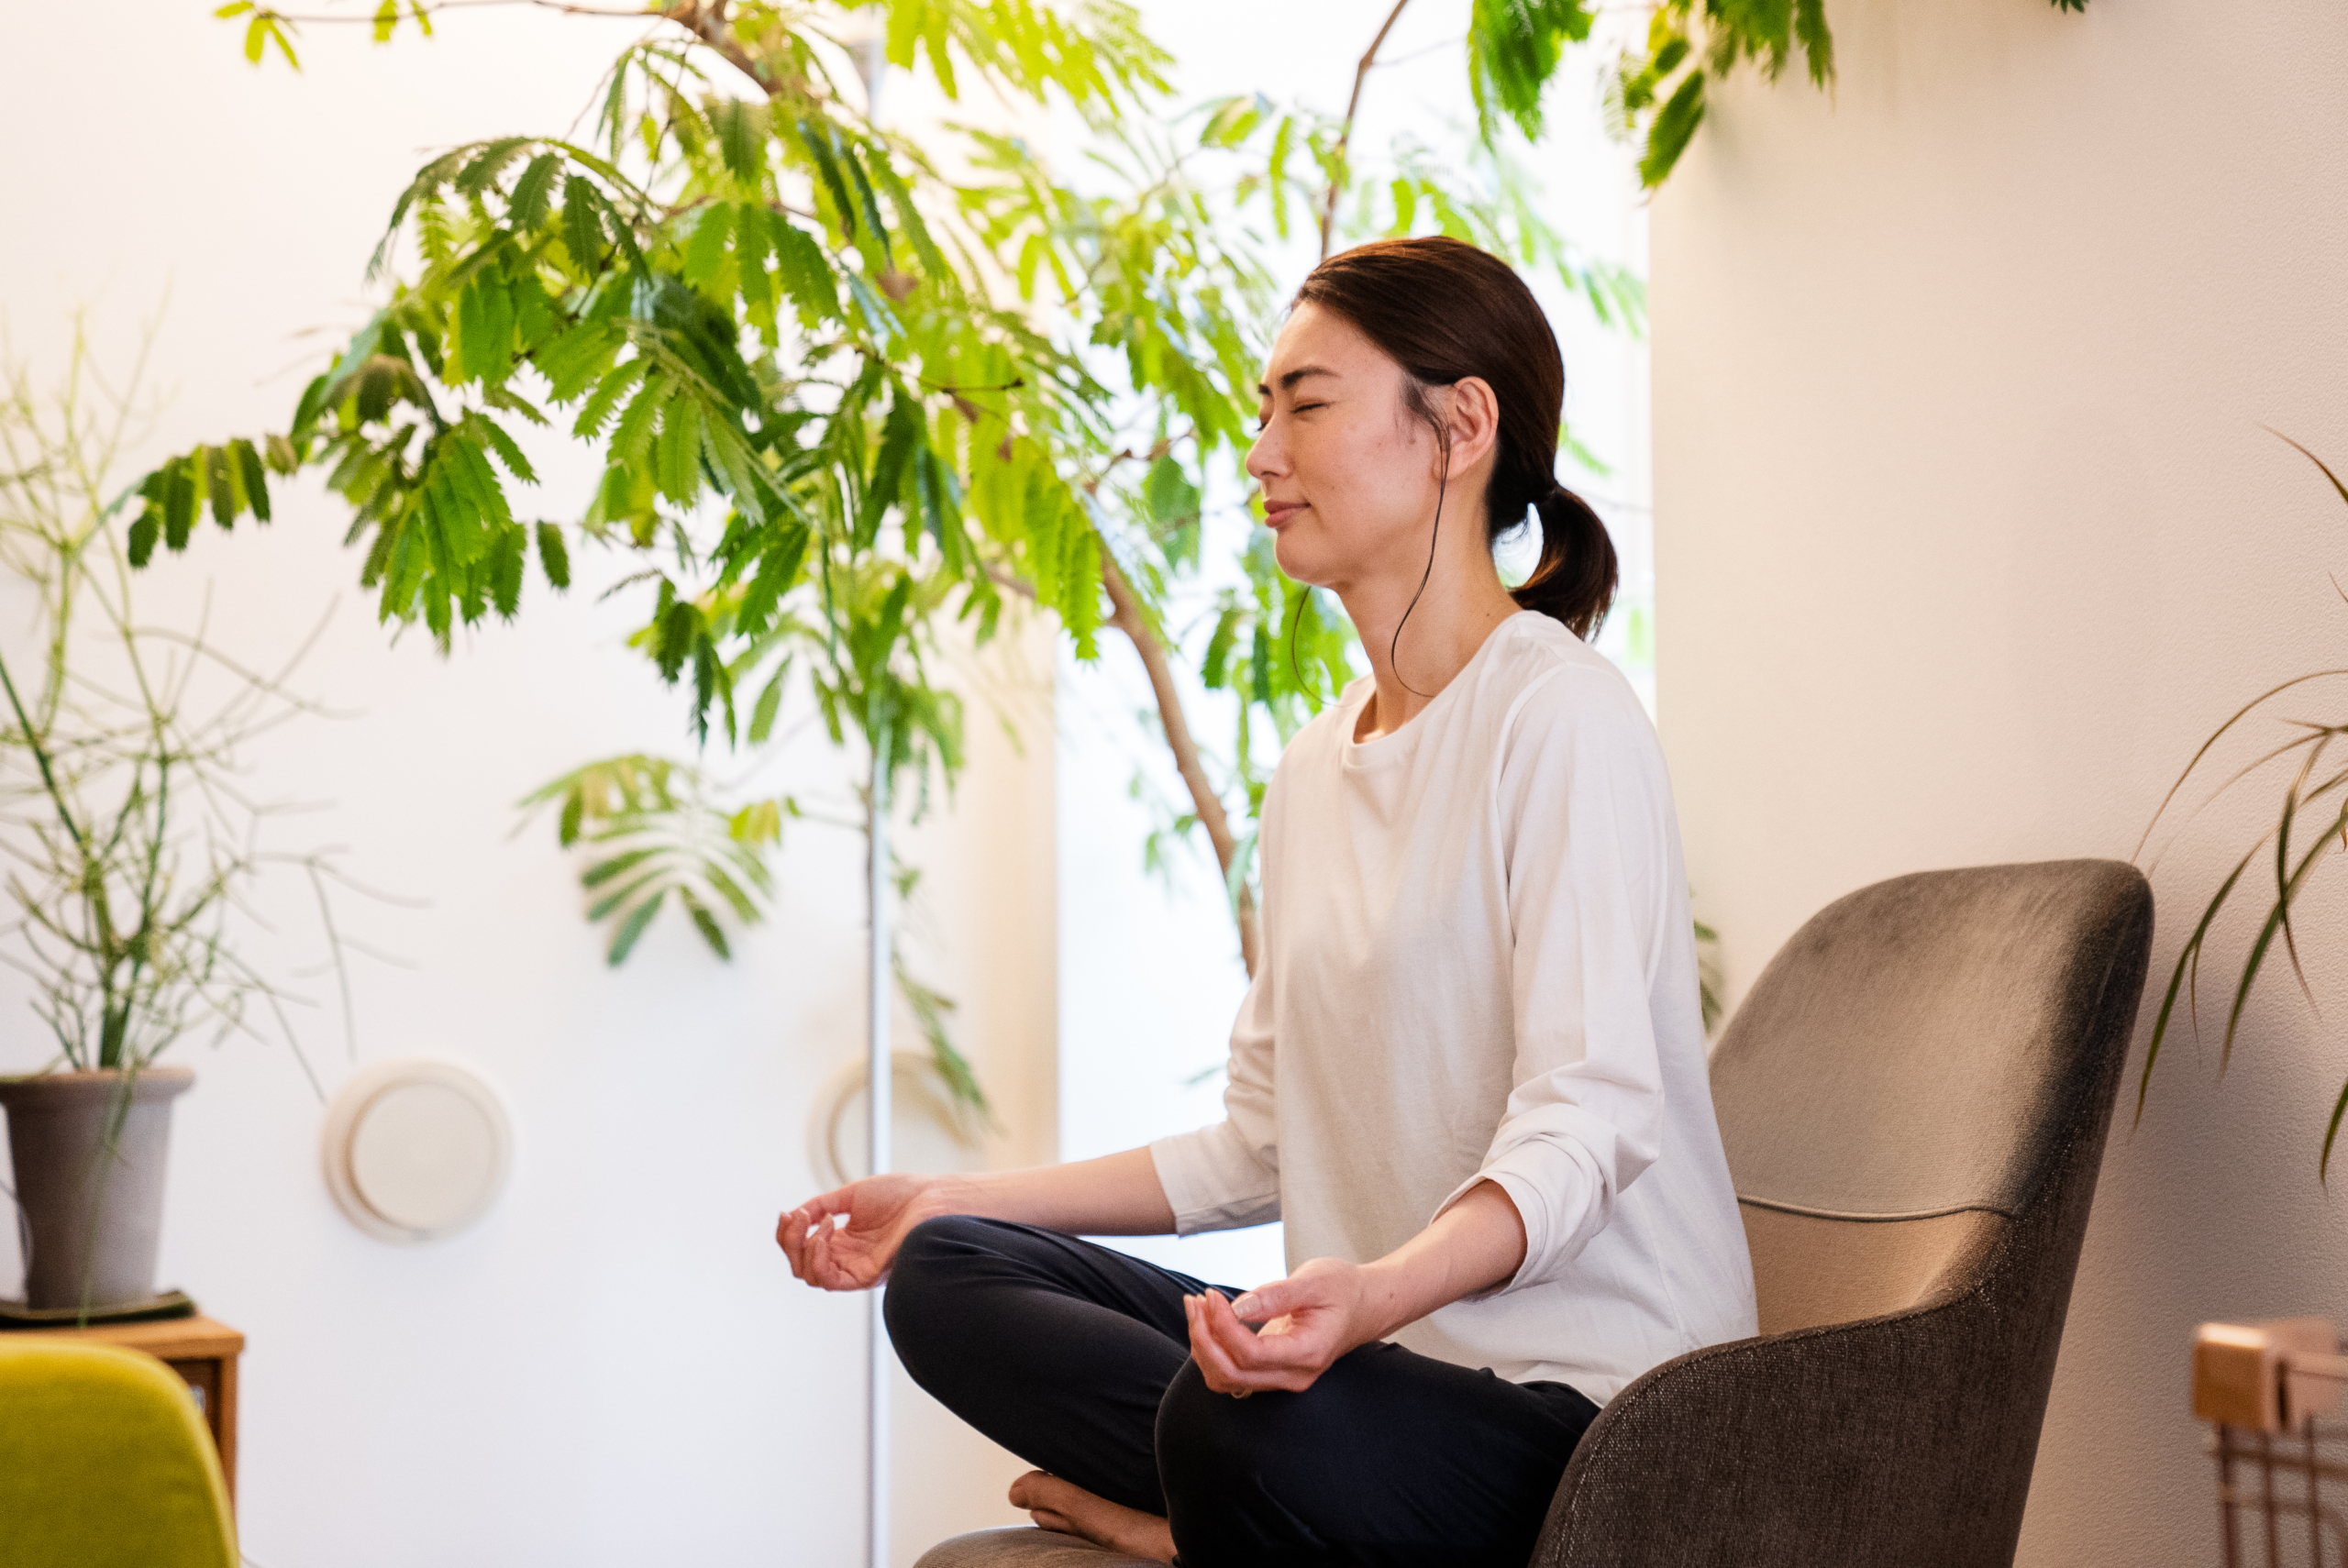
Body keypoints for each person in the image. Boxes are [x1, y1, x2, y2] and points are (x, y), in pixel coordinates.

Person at [777, 235, 1757, 1568]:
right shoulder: (1311, 769)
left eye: (1306, 404)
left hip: (1593, 1416)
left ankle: (1196, 1527)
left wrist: (1375, 1296)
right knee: (952, 1272)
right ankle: (1240, 1515)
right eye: (1263, 410)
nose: (1260, 454)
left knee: (1237, 1423)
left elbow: (1590, 1117)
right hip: (1380, 1381)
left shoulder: (1559, 716)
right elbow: (1258, 1142)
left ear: (1460, 427)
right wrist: (952, 1193)